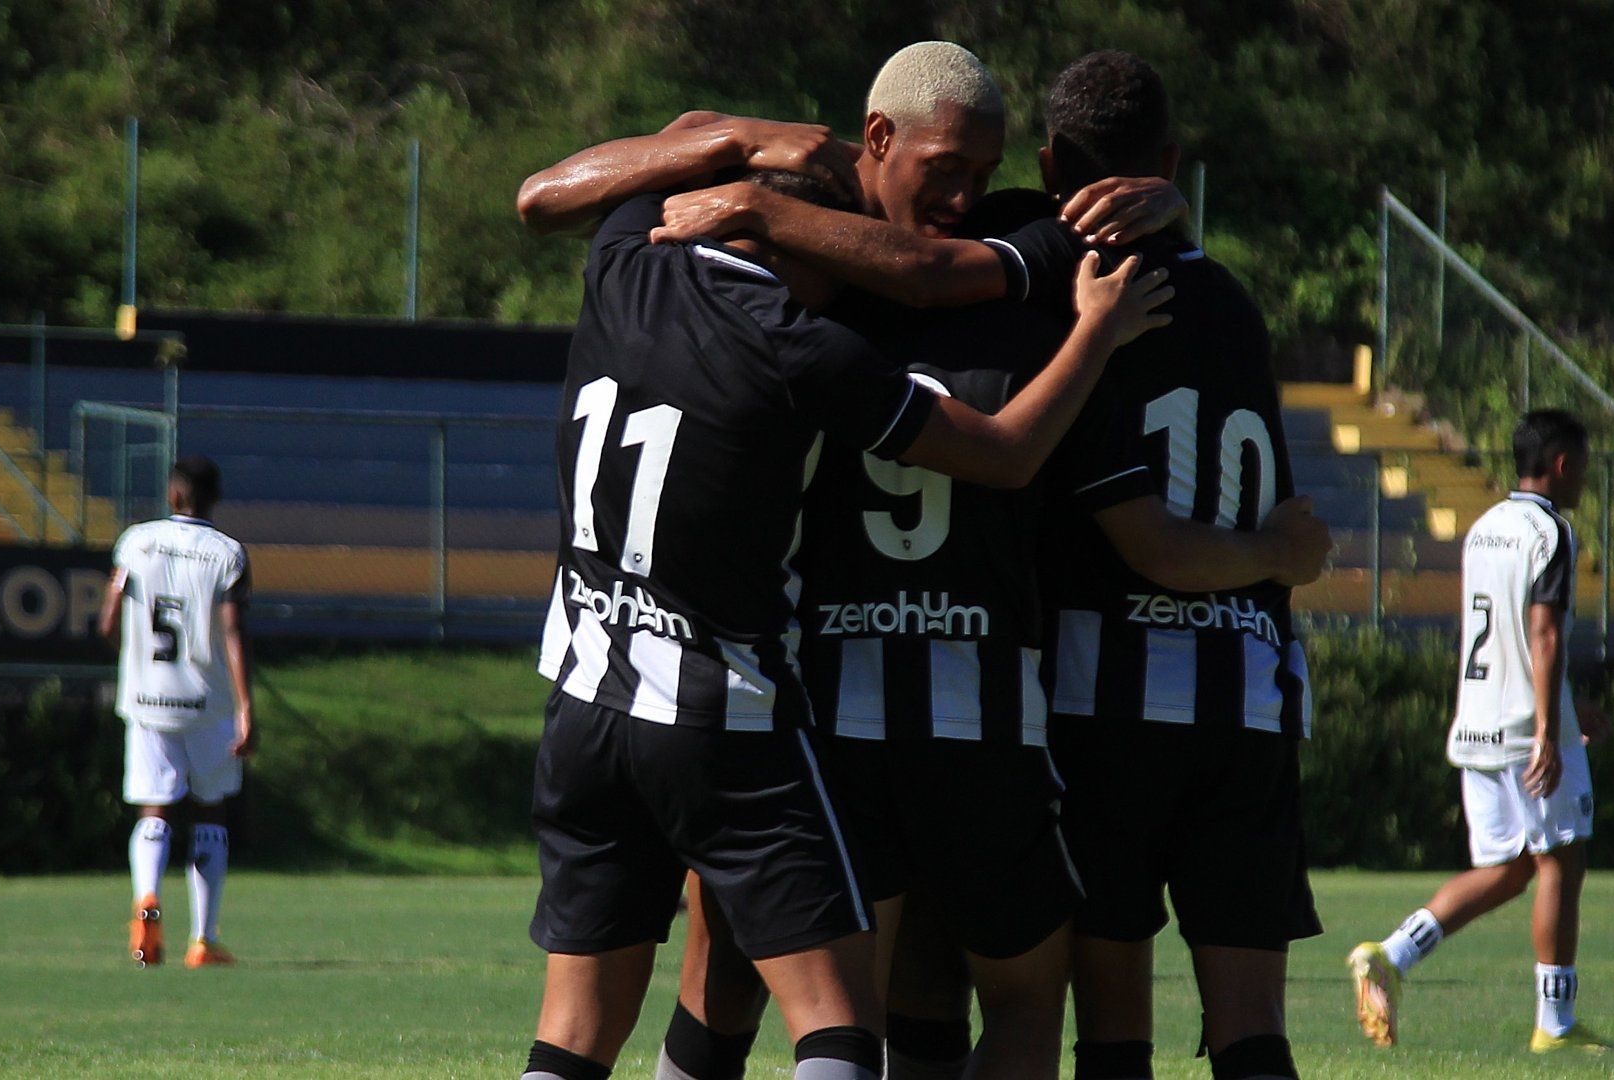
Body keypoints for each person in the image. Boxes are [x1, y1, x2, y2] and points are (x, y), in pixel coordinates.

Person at [520, 41, 1228, 1080]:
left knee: (625, 1017)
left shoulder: (634, 258)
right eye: (946, 169)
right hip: (760, 709)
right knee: (858, 1018)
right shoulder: (806, 340)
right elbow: (1005, 444)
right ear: (874, 146)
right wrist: (1101, 326)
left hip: (606, 692)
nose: (964, 195)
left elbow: (563, 188)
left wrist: (732, 148)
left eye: (982, 175)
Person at [1346, 409, 1613, 1055]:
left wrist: (1568, 708)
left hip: (1477, 722)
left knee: (1508, 869)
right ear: (1561, 463)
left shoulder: (1485, 527)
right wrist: (1552, 730)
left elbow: (1502, 633)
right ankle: (1555, 1027)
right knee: (1561, 861)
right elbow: (1542, 633)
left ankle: (1391, 955)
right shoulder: (1551, 530)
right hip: (1526, 729)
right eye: (1581, 463)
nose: (1583, 476)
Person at [99, 455, 255, 970]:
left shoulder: (136, 541)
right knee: (210, 808)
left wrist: (134, 661)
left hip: (148, 700)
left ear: (172, 496)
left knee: (154, 808)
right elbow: (232, 632)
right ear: (214, 498)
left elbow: (108, 620)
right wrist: (247, 709)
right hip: (207, 703)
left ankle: (148, 900)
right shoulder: (227, 553)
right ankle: (202, 940)